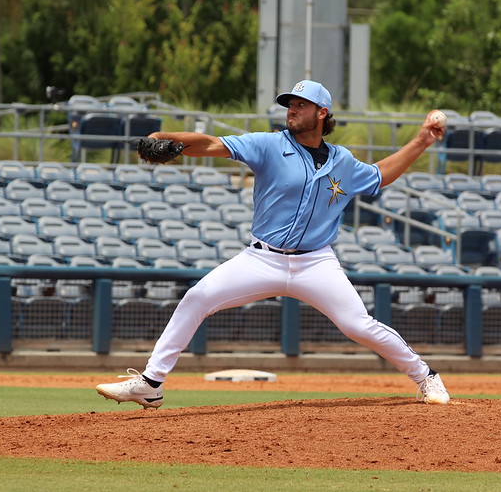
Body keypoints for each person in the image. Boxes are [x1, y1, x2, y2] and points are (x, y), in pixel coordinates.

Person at [96, 79, 450, 408]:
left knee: (358, 324)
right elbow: (212, 143)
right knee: (197, 297)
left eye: (301, 104)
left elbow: (379, 175)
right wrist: (166, 137)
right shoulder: (269, 144)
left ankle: (427, 378)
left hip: (316, 263)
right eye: (289, 104)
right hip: (262, 259)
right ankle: (151, 383)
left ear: (322, 113)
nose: (292, 110)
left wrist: (421, 140)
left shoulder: (342, 160)